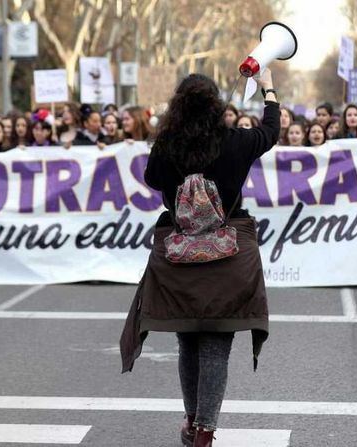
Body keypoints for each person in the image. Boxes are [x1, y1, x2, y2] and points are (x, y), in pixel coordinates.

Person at [121, 70, 278, 447]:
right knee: (215, 346)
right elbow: (271, 131)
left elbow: (153, 179)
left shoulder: (168, 145)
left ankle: (191, 421)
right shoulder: (236, 142)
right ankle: (205, 432)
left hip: (179, 256)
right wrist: (268, 87)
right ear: (216, 106)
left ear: (177, 107)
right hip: (228, 257)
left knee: (187, 341)